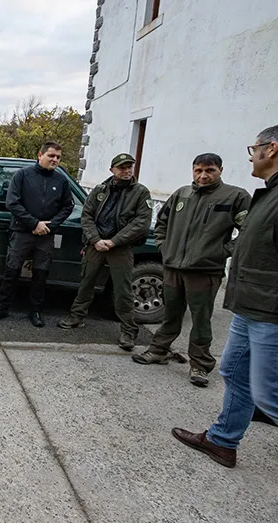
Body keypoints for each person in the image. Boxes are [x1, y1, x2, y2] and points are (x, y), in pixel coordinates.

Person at [172, 125, 278, 468]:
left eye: (254, 148)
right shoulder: (268, 194)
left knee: (270, 396)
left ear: (271, 149)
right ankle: (222, 441)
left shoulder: (240, 196)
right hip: (250, 305)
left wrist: (219, 255)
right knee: (234, 370)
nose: (252, 154)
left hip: (269, 309)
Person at [132, 153, 251, 386]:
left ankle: (200, 365)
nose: (203, 175)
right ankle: (158, 350)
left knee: (201, 320)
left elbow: (248, 232)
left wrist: (222, 251)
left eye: (209, 170)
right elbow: (162, 224)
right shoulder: (181, 194)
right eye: (198, 170)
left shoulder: (235, 196)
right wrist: (164, 248)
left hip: (205, 271)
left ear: (220, 170)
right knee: (171, 314)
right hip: (173, 267)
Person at [58, 154, 152, 350]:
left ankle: (128, 331)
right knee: (86, 282)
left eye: (129, 167)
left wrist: (114, 241)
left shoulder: (140, 193)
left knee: (123, 289)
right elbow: (87, 216)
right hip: (95, 244)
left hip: (120, 247)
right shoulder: (100, 190)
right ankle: (76, 316)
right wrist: (96, 240)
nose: (126, 171)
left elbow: (141, 223)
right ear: (112, 170)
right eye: (122, 168)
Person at [0, 141, 75, 327]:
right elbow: (12, 202)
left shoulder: (60, 181)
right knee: (11, 272)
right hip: (22, 232)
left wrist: (51, 225)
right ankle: (1, 308)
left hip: (46, 235)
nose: (55, 160)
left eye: (58, 157)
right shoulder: (22, 175)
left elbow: (68, 206)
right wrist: (33, 223)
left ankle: (35, 311)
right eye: (51, 155)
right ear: (40, 155)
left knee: (40, 275)